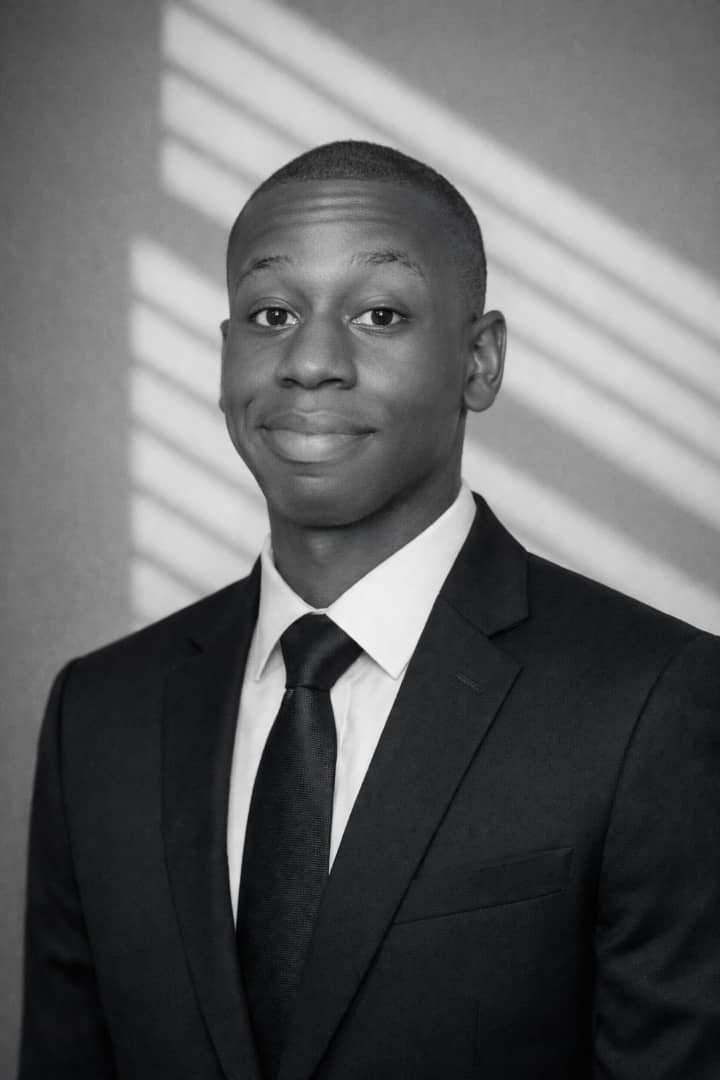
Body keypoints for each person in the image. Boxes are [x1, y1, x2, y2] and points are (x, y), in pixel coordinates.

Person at [18, 140, 720, 1079]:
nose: (310, 361)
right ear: (226, 357)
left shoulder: (652, 701)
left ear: (480, 361)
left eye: (380, 314)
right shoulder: (99, 714)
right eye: (272, 314)